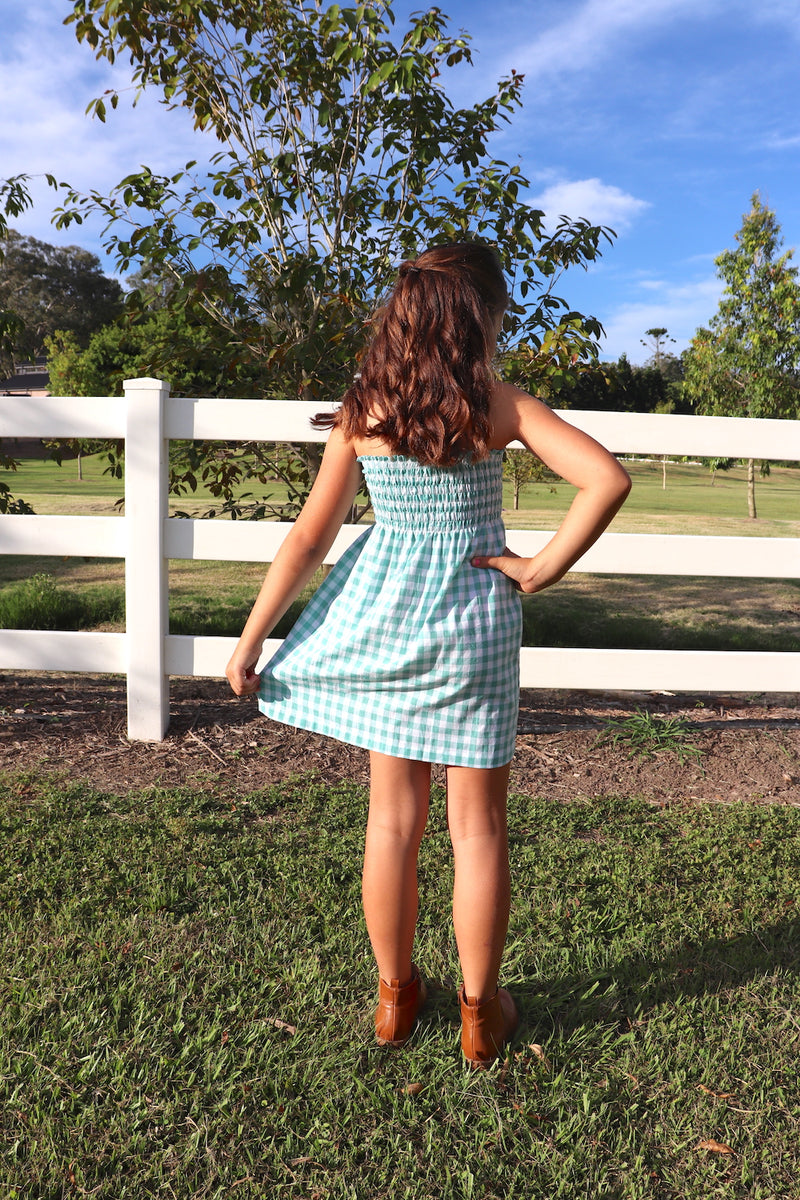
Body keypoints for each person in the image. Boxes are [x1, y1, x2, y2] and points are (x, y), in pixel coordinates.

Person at [225, 242, 631, 1066]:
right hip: (476, 621)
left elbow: (309, 537)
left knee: (392, 821)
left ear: (402, 316)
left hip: (388, 625)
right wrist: (537, 571)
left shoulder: (363, 412)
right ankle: (481, 1016)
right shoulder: (497, 405)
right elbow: (606, 479)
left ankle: (396, 1000)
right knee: (477, 829)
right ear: (481, 315)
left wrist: (253, 634)